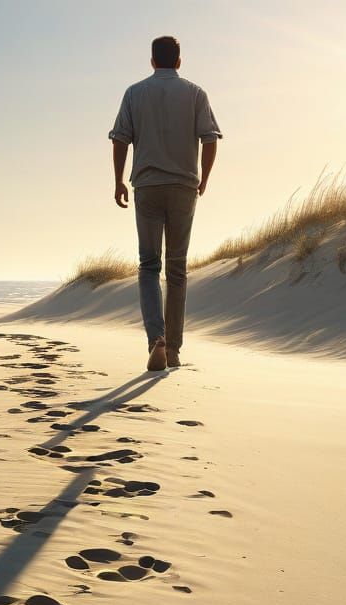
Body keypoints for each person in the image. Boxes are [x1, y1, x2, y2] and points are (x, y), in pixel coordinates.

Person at [109, 35, 222, 371]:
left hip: (147, 185)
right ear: (179, 60)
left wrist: (117, 180)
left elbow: (120, 140)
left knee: (148, 265)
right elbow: (210, 138)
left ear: (152, 61)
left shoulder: (134, 93)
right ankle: (172, 350)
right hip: (184, 186)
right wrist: (204, 176)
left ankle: (155, 338)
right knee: (176, 268)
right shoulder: (195, 93)